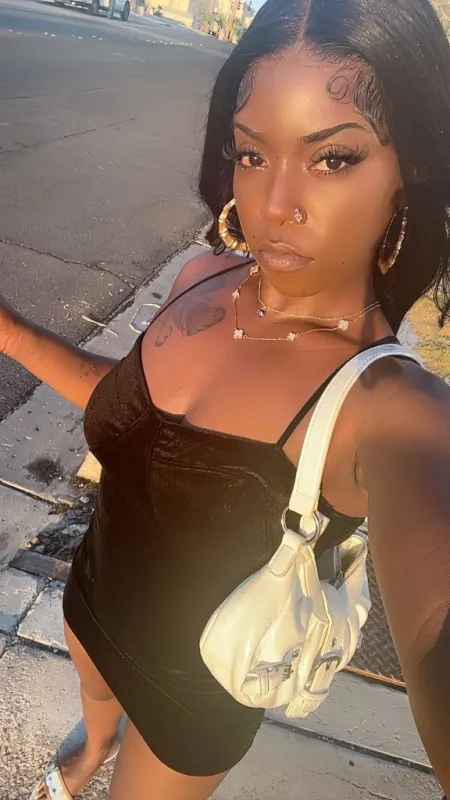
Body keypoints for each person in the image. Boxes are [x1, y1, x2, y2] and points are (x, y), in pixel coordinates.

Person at [1, 0, 450, 796]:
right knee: (95, 707)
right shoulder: (201, 277)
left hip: (191, 696)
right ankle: (93, 743)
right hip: (92, 597)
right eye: (251, 154)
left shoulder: (389, 407)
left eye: (332, 158)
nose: (274, 205)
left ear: (409, 162)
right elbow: (132, 410)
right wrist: (8, 329)